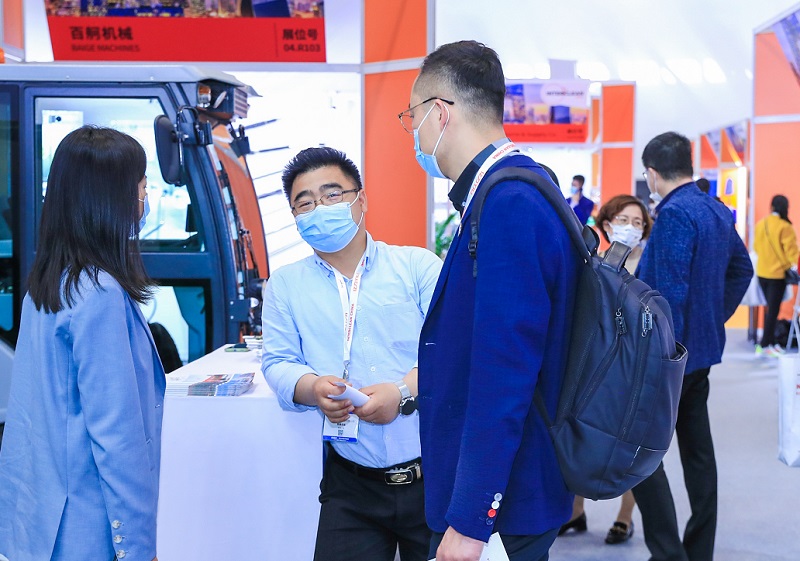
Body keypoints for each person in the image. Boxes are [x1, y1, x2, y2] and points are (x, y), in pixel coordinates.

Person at [401, 40, 580, 561]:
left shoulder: (509, 203)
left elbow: (503, 373)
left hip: (503, 504)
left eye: (412, 117)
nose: (413, 133)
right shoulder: (513, 189)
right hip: (507, 490)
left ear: (439, 113)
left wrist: (471, 518)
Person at [261, 147, 442, 561]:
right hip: (351, 484)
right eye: (305, 203)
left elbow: (453, 351)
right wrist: (312, 388)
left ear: (361, 200)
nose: (319, 208)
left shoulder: (416, 267)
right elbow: (278, 361)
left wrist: (401, 392)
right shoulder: (286, 285)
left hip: (433, 475)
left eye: (332, 195)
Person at [0, 126, 164, 561]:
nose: (144, 199)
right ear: (109, 199)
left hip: (43, 523)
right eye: (141, 187)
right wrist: (138, 546)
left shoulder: (50, 283)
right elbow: (117, 436)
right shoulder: (100, 293)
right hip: (88, 526)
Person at [634, 131, 752, 561]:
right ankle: (698, 550)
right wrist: (713, 318)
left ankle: (668, 553)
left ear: (652, 174)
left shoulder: (674, 215)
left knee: (637, 455)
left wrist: (657, 358)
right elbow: (742, 269)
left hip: (668, 360)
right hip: (699, 355)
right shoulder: (715, 208)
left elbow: (667, 297)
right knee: (699, 455)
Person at [559, 193, 653, 544]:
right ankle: (576, 511)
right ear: (607, 224)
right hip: (594, 364)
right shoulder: (593, 263)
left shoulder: (649, 267)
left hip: (633, 370)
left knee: (629, 443)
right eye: (623, 220)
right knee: (580, 436)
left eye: (637, 223)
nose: (630, 228)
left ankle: (625, 517)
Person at [753, 194, 799, 357]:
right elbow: (792, 252)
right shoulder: (785, 227)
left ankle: (770, 342)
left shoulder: (761, 224)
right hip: (777, 275)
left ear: (771, 206)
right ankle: (765, 344)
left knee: (769, 309)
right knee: (773, 311)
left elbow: (756, 247)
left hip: (762, 273)